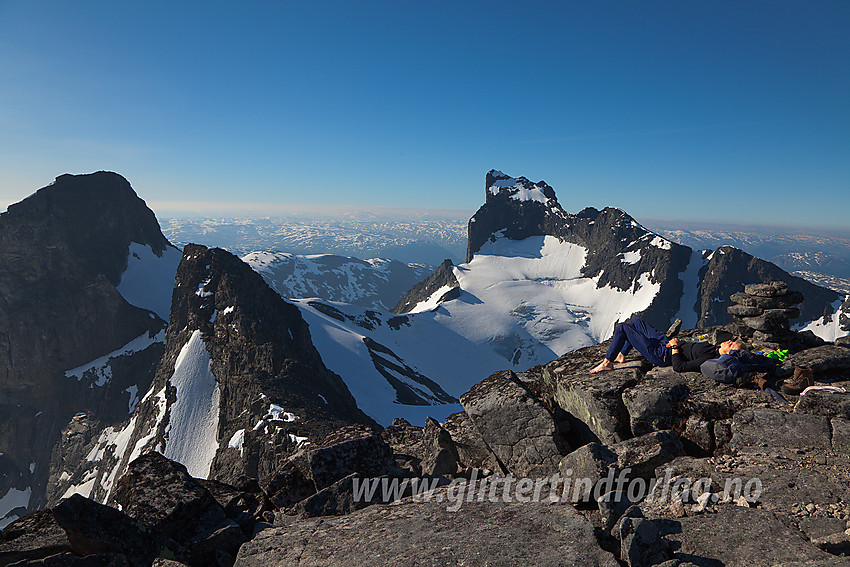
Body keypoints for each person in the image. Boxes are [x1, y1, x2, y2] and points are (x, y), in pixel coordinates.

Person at [589, 317, 740, 374]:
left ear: (727, 354)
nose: (729, 341)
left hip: (661, 354)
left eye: (731, 345)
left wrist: (674, 348)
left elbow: (679, 367)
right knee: (636, 322)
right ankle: (622, 354)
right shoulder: (712, 348)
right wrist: (679, 342)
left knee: (623, 327)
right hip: (666, 343)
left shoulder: (709, 358)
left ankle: (607, 363)